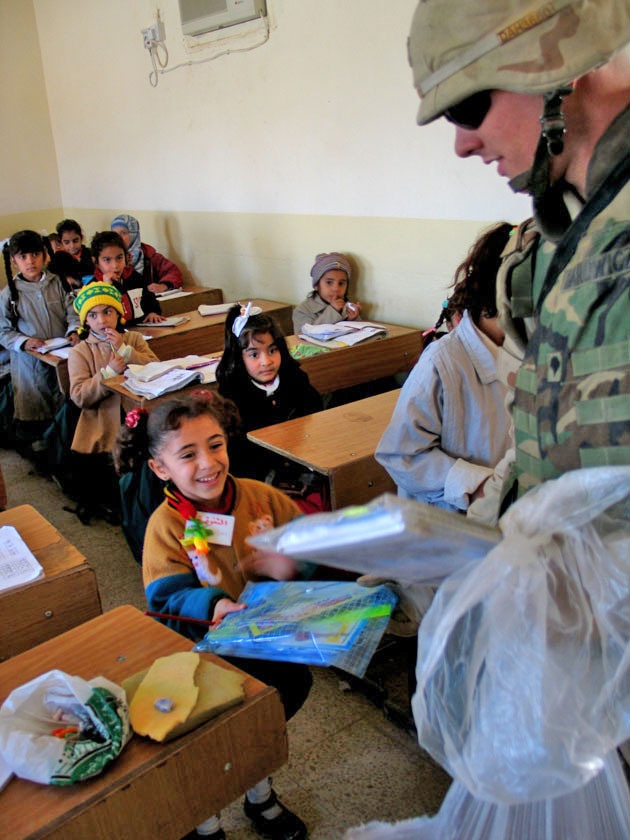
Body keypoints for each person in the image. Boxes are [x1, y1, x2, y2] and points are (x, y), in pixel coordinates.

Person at [408, 0, 630, 499]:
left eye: (467, 109)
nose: (463, 145)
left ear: (554, 66)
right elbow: (536, 458)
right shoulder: (542, 255)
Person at [115, 391, 310, 840]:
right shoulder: (165, 527)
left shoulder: (261, 498)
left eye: (216, 445)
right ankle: (205, 819)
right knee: (207, 739)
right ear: (160, 468)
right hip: (203, 656)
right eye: (188, 454)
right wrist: (214, 604)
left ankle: (259, 793)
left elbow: (306, 541)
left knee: (260, 722)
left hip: (264, 643)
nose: (208, 463)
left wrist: (293, 562)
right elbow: (166, 598)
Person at [376, 223, 515, 511]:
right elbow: (400, 454)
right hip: (457, 521)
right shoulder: (443, 361)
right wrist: (479, 488)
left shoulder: (527, 351)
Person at [66, 282, 158, 521]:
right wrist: (107, 374)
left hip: (137, 411)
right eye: (94, 315)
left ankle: (143, 497)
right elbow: (79, 395)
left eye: (108, 312)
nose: (102, 320)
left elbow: (155, 368)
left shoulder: (133, 339)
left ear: (120, 314)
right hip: (102, 418)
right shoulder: (80, 352)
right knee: (113, 458)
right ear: (86, 321)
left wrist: (124, 349)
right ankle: (115, 501)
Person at [216, 303, 323, 485]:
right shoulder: (231, 396)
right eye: (254, 355)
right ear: (239, 358)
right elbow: (238, 456)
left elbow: (315, 423)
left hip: (303, 466)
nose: (266, 361)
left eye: (272, 351)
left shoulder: (296, 380)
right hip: (258, 481)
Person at [0, 230, 80, 445]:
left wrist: (73, 330)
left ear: (45, 255)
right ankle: (41, 450)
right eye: (23, 257)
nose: (30, 261)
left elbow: (73, 312)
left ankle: (63, 447)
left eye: (35, 254)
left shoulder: (59, 284)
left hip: (62, 355)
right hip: (29, 362)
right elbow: (3, 330)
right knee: (37, 409)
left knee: (65, 403)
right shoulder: (10, 294)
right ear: (14, 261)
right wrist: (24, 342)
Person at [90, 230, 165, 325]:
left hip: (141, 330)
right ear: (95, 262)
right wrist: (107, 287)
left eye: (119, 257)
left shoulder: (134, 277)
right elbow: (99, 321)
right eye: (107, 260)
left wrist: (152, 312)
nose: (115, 265)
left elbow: (149, 298)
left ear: (126, 257)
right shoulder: (93, 288)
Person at [111, 213, 183, 293]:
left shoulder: (148, 255)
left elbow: (173, 272)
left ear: (133, 234)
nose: (118, 238)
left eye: (123, 233)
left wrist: (164, 285)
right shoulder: (108, 258)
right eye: (115, 234)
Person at [292, 252, 362, 334]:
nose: (336, 289)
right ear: (316, 285)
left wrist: (353, 319)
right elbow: (303, 337)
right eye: (329, 282)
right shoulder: (303, 310)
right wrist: (333, 311)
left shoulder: (347, 307)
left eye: (341, 283)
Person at [49, 219, 94, 290]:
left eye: (75, 241)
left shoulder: (89, 253)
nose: (72, 246)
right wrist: (65, 279)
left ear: (81, 238)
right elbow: (52, 278)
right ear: (61, 242)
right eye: (67, 242)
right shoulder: (58, 259)